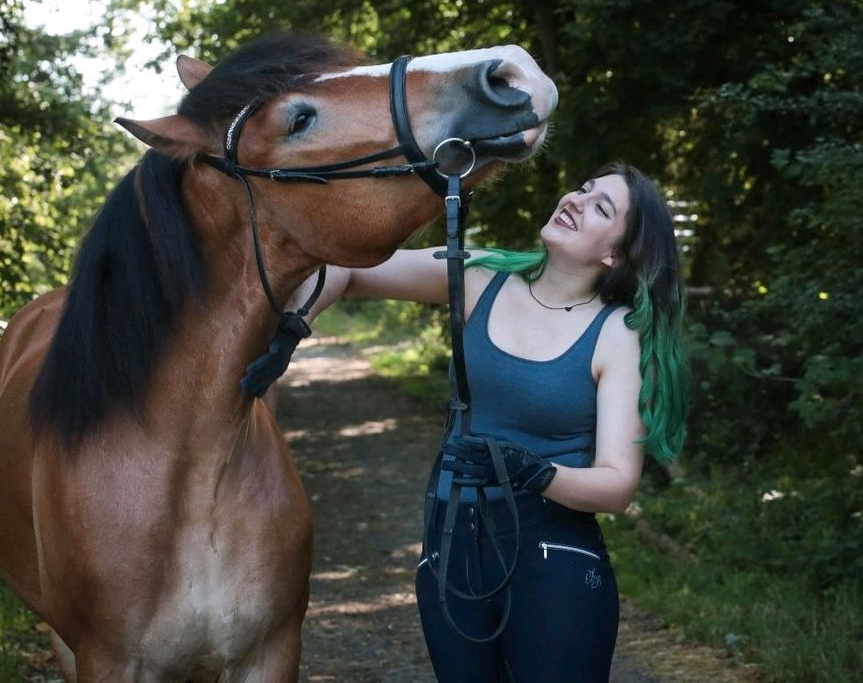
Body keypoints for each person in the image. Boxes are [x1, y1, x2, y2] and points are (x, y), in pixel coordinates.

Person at [292, 162, 688, 682]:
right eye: (584, 187)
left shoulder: (618, 334)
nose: (576, 198)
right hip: (451, 539)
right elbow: (345, 266)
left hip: (552, 553)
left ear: (615, 254)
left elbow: (617, 486)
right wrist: (289, 328)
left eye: (601, 207)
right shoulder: (479, 275)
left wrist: (533, 472)